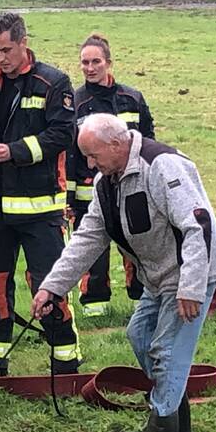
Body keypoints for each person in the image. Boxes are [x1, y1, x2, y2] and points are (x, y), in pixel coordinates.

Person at [32, 114, 216, 432]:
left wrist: (191, 287)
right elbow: (88, 238)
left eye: (94, 156)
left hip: (191, 275)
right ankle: (180, 425)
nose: (90, 165)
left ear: (116, 143)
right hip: (158, 278)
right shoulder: (105, 183)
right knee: (140, 334)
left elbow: (197, 226)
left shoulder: (162, 166)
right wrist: (52, 288)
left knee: (167, 352)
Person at [0, 12, 81, 378]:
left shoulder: (54, 83)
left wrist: (16, 151)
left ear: (23, 42)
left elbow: (62, 134)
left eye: (6, 50)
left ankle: (65, 363)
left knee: (48, 286)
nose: (0, 59)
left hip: (40, 208)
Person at [67, 33, 156, 317]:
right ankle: (95, 304)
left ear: (108, 63)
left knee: (137, 241)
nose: (90, 68)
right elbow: (69, 152)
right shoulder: (75, 103)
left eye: (95, 61)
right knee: (92, 246)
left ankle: (141, 298)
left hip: (132, 185)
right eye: (84, 62)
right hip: (87, 189)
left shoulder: (131, 98)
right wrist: (68, 195)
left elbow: (148, 143)